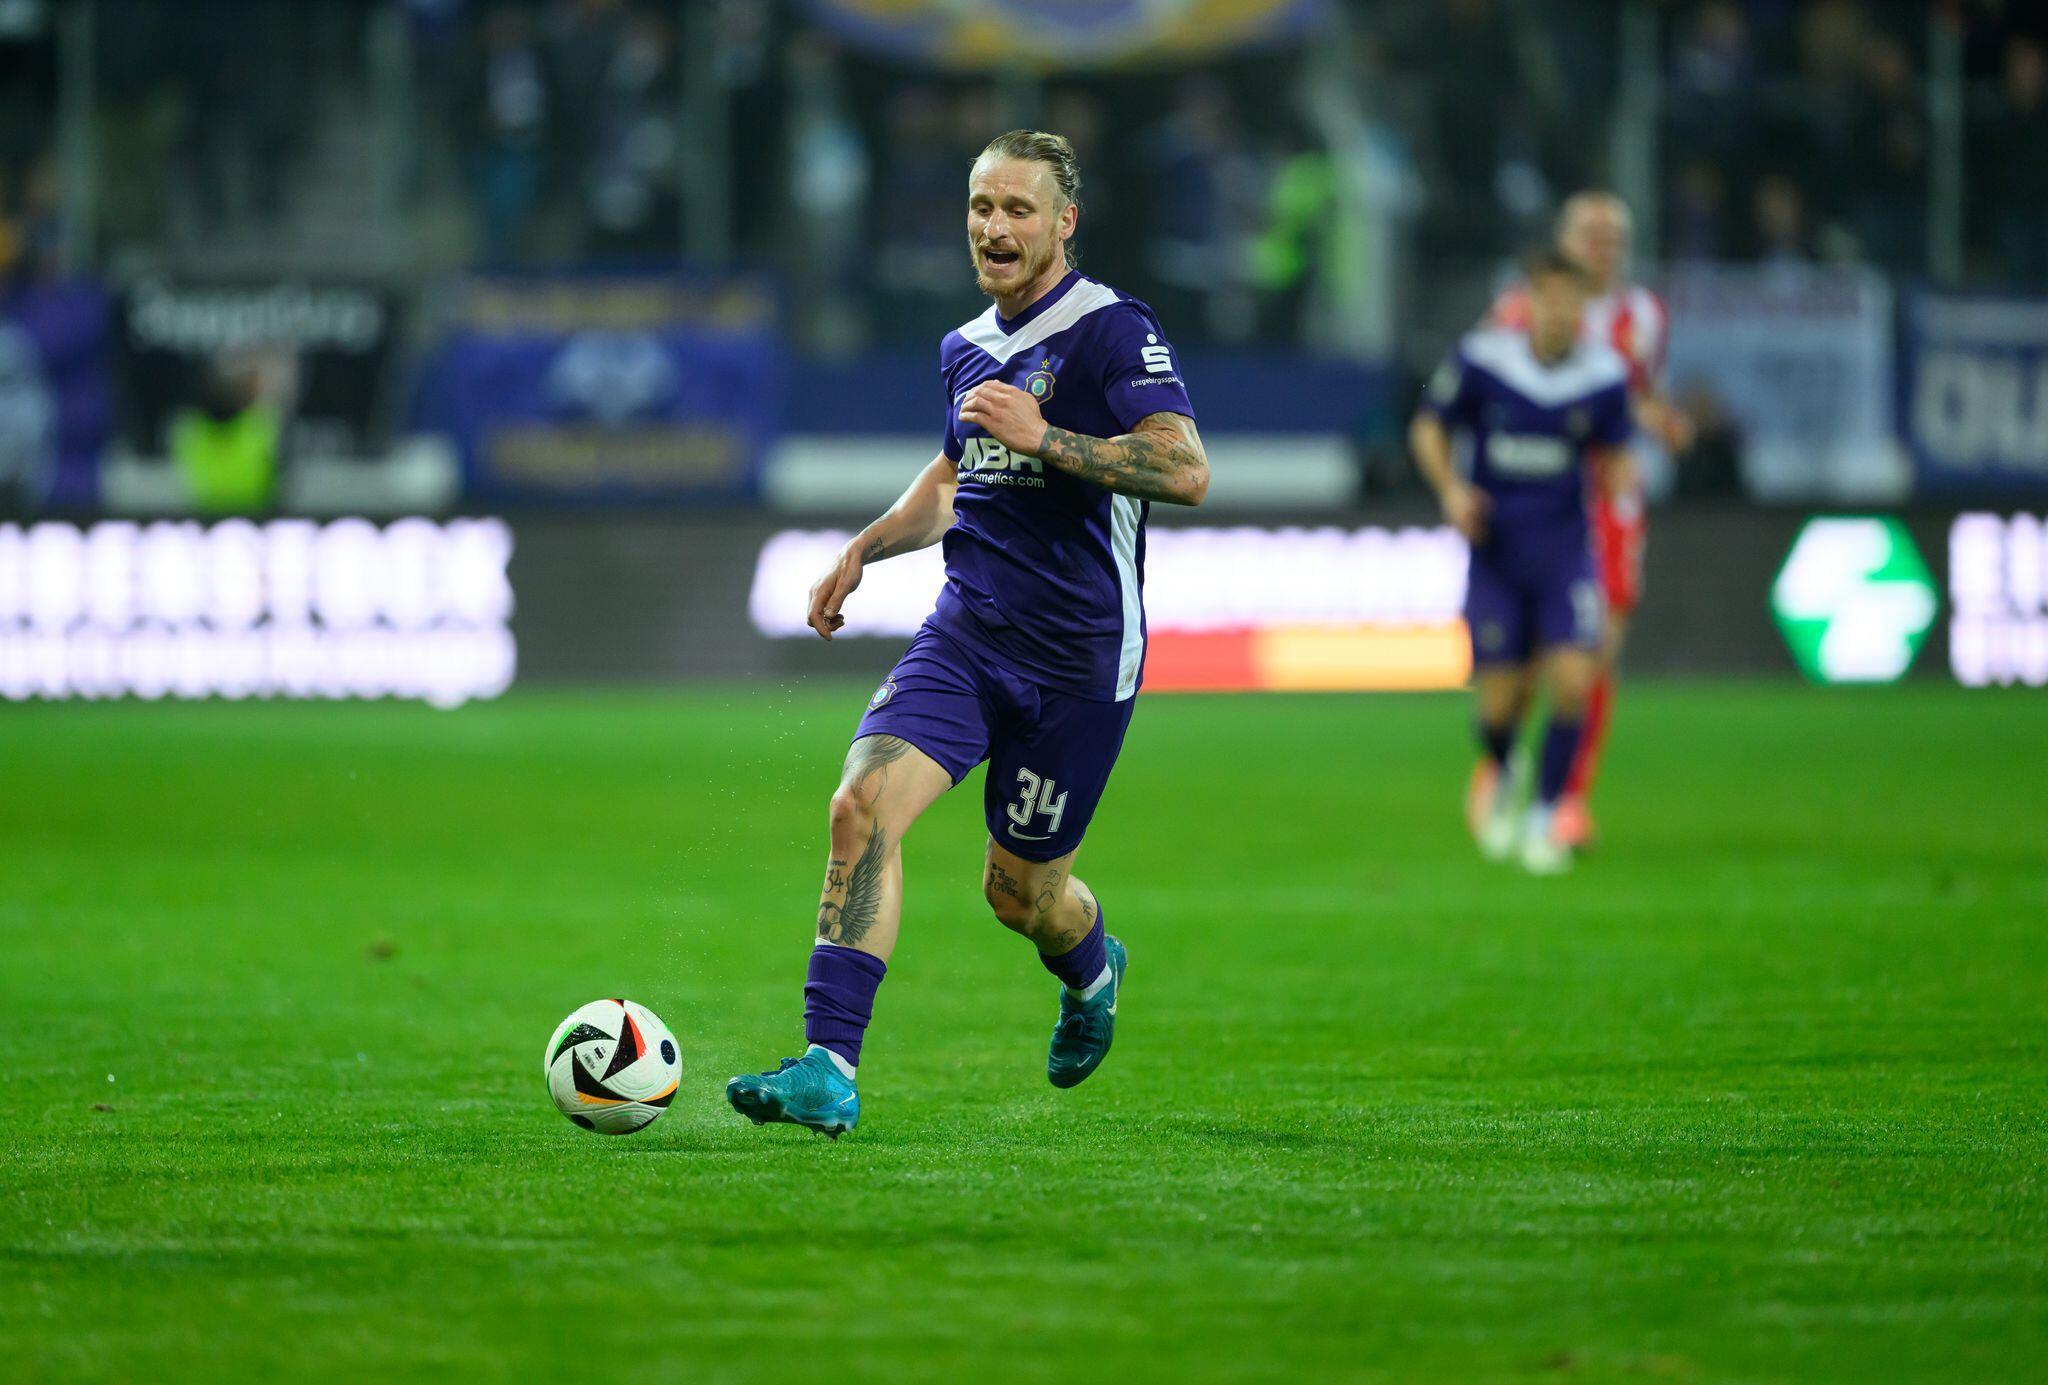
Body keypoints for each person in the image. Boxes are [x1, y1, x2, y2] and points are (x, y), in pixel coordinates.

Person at [726, 130, 1208, 1137]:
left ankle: (1091, 970)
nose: (994, 226)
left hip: (1078, 658)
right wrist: (864, 547)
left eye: (1017, 209)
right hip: (967, 635)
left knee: (1019, 895)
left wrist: (1050, 438)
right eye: (981, 206)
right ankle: (828, 1065)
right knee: (859, 806)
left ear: (1063, 222)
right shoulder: (966, 347)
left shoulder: (1111, 330)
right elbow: (955, 477)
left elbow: (1184, 469)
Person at [1414, 249, 1636, 875]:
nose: (1559, 312)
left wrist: (1623, 490)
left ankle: (1544, 818)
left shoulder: (1603, 376)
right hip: (1496, 555)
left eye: (1570, 300)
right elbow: (1428, 426)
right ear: (1528, 303)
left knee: (1574, 680)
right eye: (1548, 298)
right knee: (1497, 705)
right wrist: (1452, 490)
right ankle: (1506, 762)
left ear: (1582, 308)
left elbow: (1617, 454)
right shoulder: (1485, 360)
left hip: (1565, 553)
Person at [1488, 192, 1690, 847]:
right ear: (1563, 240)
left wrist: (1662, 421)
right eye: (1590, 235)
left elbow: (1642, 394)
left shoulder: (1644, 316)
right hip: (1538, 495)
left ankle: (1568, 796)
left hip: (1610, 501)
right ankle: (1501, 758)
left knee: (1597, 650)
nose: (1602, 248)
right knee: (1524, 656)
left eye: (1613, 237)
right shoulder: (1518, 310)